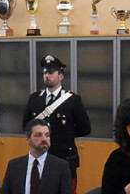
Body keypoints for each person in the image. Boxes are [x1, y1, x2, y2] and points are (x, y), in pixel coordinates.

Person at [22, 54, 91, 186]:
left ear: (61, 76)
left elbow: (85, 128)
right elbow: (26, 125)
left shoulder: (72, 100)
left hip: (64, 157)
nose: (47, 76)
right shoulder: (35, 99)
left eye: (51, 72)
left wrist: (65, 134)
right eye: (45, 73)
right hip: (40, 156)